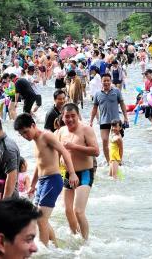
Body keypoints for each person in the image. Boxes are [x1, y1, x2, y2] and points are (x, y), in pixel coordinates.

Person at [13, 113, 78, 247]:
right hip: (43, 182)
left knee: (40, 219)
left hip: (53, 180)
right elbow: (39, 164)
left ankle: (44, 251)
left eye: (26, 132)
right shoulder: (35, 142)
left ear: (33, 125)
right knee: (39, 218)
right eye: (22, 134)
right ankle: (55, 247)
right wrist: (32, 185)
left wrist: (72, 173)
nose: (25, 136)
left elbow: (64, 152)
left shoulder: (46, 136)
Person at [56, 103, 100, 240]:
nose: (70, 119)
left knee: (78, 211)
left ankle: (86, 242)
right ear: (62, 118)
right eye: (67, 116)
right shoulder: (61, 132)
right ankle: (75, 237)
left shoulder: (86, 129)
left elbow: (96, 151)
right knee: (67, 210)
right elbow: (56, 153)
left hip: (85, 172)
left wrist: (74, 146)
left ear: (78, 115)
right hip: (68, 174)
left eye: (73, 116)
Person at [90, 73, 128, 161]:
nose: (106, 82)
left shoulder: (116, 91)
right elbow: (94, 108)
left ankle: (119, 160)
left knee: (118, 142)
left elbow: (122, 104)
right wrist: (91, 120)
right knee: (104, 141)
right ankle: (109, 161)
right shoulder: (97, 94)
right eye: (104, 81)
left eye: (108, 81)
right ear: (101, 82)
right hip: (103, 121)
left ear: (110, 81)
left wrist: (125, 117)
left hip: (116, 121)